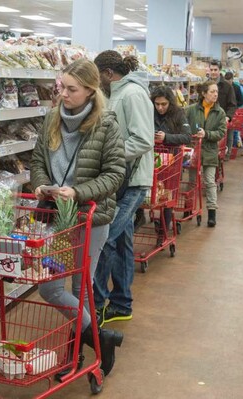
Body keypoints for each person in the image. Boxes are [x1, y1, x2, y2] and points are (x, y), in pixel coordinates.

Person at [30, 59, 126, 379]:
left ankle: (74, 357)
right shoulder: (51, 120)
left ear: (90, 90)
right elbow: (37, 161)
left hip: (90, 218)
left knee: (80, 287)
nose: (64, 95)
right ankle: (101, 340)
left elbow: (114, 174)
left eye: (72, 90)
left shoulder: (106, 124)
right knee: (52, 288)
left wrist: (78, 192)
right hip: (56, 217)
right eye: (62, 88)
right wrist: (42, 185)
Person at [93, 50, 154, 326]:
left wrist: (109, 155)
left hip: (133, 180)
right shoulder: (116, 94)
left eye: (97, 77)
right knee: (122, 241)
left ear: (108, 73)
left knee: (104, 239)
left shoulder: (132, 95)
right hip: (120, 179)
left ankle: (95, 304)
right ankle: (121, 303)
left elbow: (142, 140)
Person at [185, 81, 227, 227]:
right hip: (194, 151)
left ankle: (211, 213)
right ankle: (187, 209)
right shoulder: (191, 110)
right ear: (203, 93)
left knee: (209, 182)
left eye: (216, 92)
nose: (215, 94)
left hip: (210, 151)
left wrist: (207, 134)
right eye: (212, 91)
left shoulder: (220, 112)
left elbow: (221, 132)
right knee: (191, 182)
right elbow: (183, 125)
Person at [152, 85, 192, 238]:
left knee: (167, 196)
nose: (160, 108)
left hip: (171, 162)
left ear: (170, 102)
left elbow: (187, 136)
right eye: (157, 104)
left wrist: (166, 138)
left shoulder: (178, 114)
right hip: (153, 161)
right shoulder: (150, 112)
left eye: (164, 104)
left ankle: (163, 230)